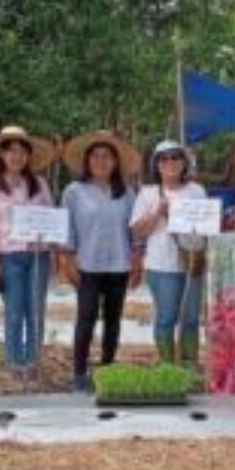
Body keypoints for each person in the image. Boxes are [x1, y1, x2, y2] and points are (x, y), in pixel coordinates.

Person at [59, 130, 143, 393]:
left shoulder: (126, 193)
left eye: (107, 156)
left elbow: (135, 229)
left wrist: (137, 258)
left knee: (113, 320)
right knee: (85, 319)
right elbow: (66, 229)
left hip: (119, 265)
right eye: (95, 156)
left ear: (116, 162)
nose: (101, 161)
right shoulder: (74, 192)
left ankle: (107, 368)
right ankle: (80, 373)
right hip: (88, 265)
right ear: (87, 161)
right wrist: (66, 259)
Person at [0, 125, 56, 382]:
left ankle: (33, 362)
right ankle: (14, 362)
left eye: (21, 151)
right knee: (14, 312)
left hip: (37, 257)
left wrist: (53, 251)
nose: (16, 156)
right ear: (1, 154)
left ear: (28, 156)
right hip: (9, 257)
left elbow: (51, 218)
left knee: (35, 311)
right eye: (10, 151)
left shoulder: (39, 184)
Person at [130, 140, 208, 366]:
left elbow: (207, 224)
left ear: (184, 162)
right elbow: (137, 232)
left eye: (176, 157)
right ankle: (167, 365)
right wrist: (158, 212)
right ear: (157, 165)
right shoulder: (147, 193)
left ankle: (189, 365)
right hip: (161, 264)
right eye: (164, 158)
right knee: (166, 318)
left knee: (191, 318)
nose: (171, 162)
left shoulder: (197, 191)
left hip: (192, 260)